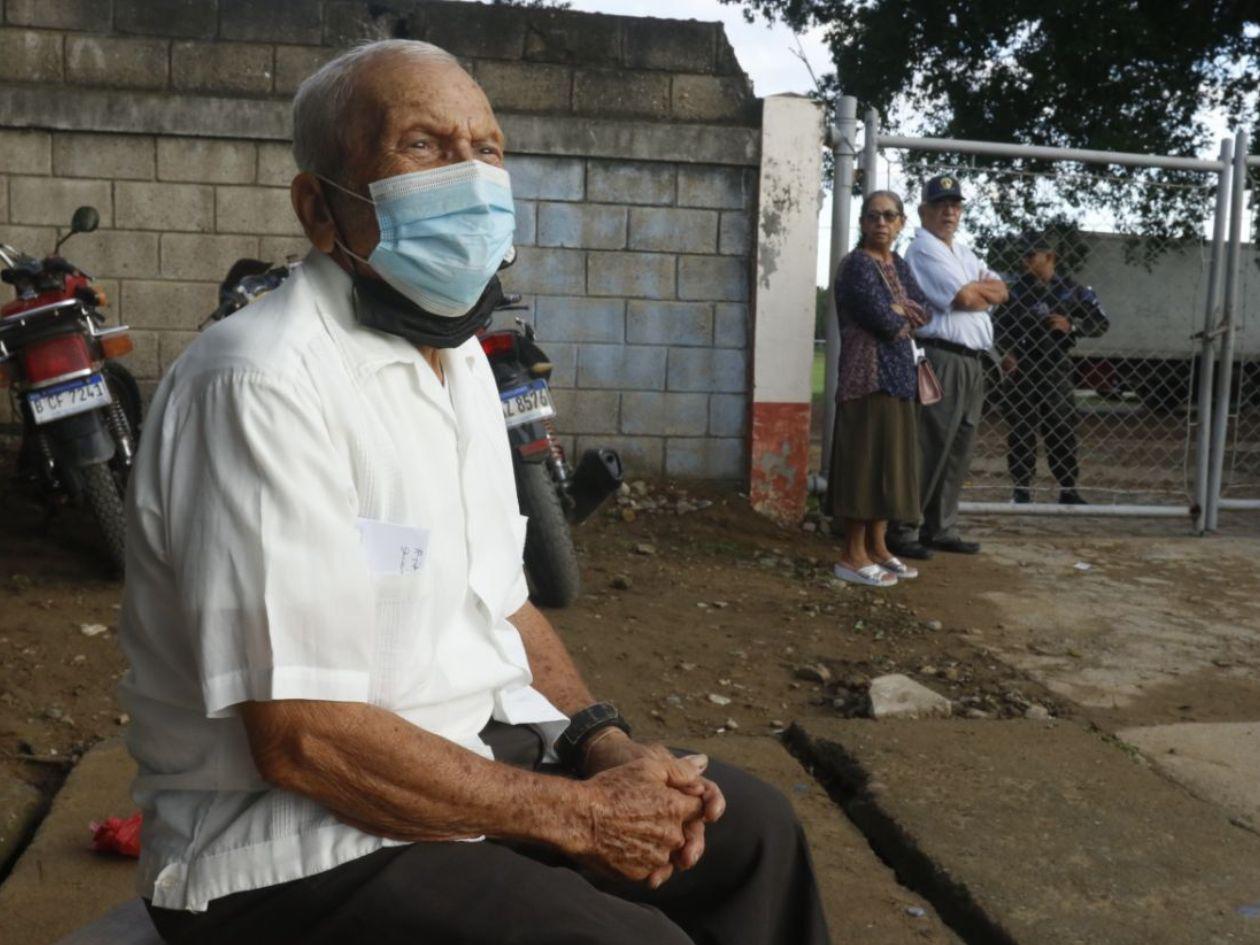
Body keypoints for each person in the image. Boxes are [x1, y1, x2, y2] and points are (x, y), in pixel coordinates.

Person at [119, 39, 830, 945]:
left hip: (459, 774)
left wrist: (605, 746)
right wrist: (579, 816)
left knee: (751, 832)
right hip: (289, 850)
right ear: (320, 209)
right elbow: (302, 737)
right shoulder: (261, 380)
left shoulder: (458, 363)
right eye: (422, 145)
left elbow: (503, 606)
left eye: (487, 149)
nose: (471, 175)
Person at [887, 175, 1008, 559]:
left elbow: (1000, 290)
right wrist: (979, 291)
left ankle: (940, 527)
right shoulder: (924, 249)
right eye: (940, 205)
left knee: (960, 446)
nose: (949, 212)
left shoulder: (963, 252)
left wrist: (981, 291)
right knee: (930, 443)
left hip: (973, 361)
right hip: (942, 356)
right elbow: (964, 297)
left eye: (955, 205)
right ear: (923, 211)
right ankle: (904, 528)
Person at [827, 190, 930, 586]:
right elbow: (884, 322)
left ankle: (879, 546)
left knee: (890, 463)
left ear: (902, 222)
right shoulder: (856, 266)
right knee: (864, 464)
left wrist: (901, 310)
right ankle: (852, 555)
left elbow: (925, 310)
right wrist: (900, 312)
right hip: (865, 377)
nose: (881, 223)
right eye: (873, 216)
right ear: (862, 223)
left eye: (889, 216)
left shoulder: (898, 265)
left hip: (900, 377)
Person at [995, 231, 1110, 504]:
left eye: (1031, 254)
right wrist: (1006, 352)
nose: (1025, 260)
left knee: (1061, 427)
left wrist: (1073, 327)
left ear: (1049, 256)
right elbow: (997, 326)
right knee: (1022, 429)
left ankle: (1068, 488)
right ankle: (1021, 489)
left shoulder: (1071, 290)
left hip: (1056, 366)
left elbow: (1101, 322)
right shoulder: (1015, 290)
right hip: (1023, 368)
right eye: (1023, 255)